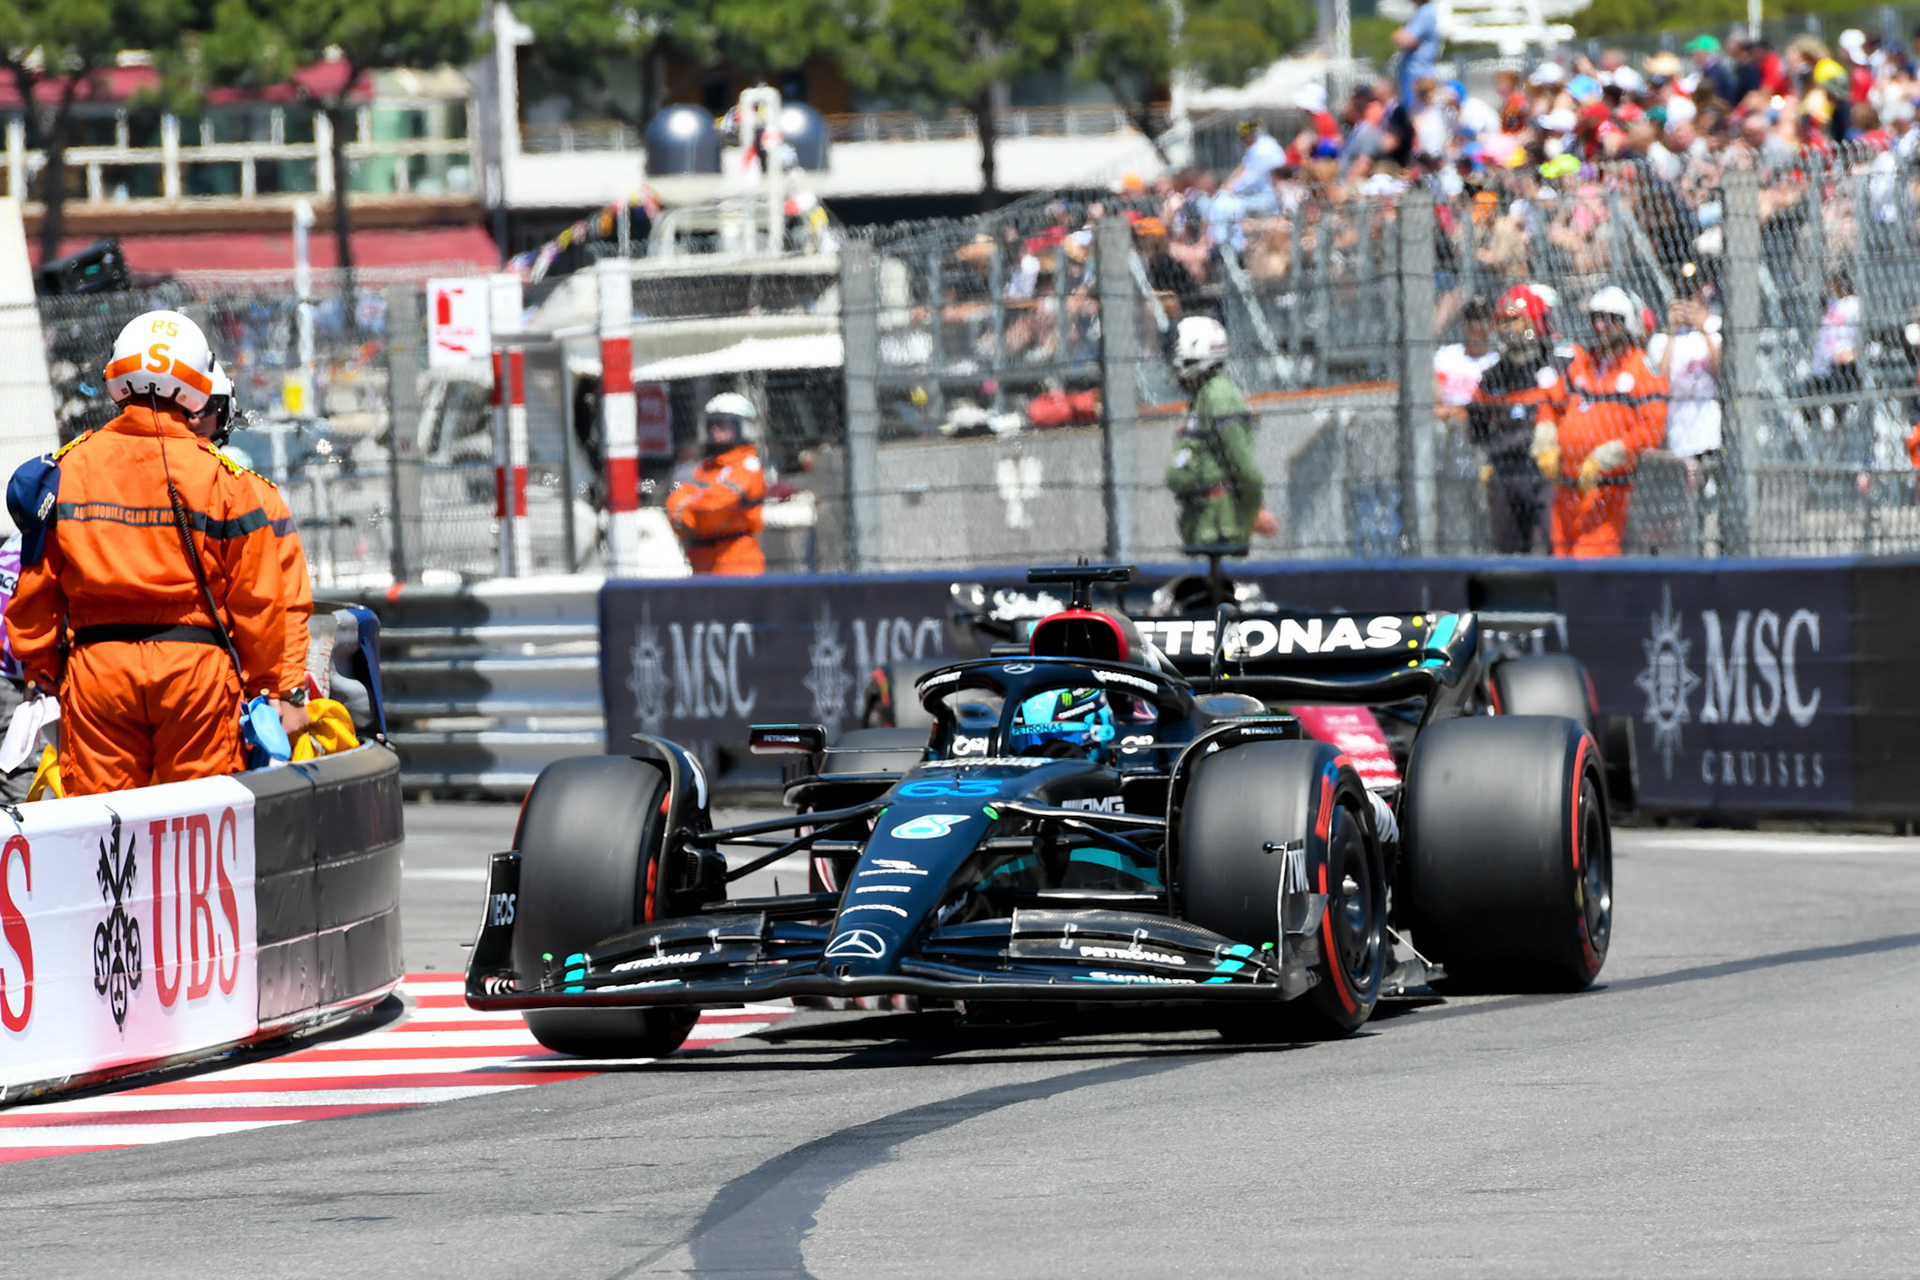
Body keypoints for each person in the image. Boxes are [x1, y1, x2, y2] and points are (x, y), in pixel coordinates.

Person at [6, 310, 287, 795]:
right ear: (198, 384)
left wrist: (42, 672)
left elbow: (37, 587)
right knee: (197, 828)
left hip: (98, 672)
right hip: (194, 674)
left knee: (101, 836)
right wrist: (271, 686)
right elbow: (260, 601)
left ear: (118, 375)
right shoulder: (230, 482)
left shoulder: (68, 470)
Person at [190, 363, 312, 740]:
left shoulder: (259, 495)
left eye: (204, 406)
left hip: (237, 690)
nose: (194, 418)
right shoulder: (113, 481)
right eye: (183, 406)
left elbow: (287, 602)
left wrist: (289, 690)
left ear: (223, 412)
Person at [1532, 286, 1669, 558]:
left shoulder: (1641, 368)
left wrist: (1611, 453)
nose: (1600, 326)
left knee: (1589, 566)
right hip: (1566, 491)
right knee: (1562, 564)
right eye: (1596, 318)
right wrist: (1545, 438)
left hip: (1607, 493)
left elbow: (1653, 427)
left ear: (1625, 322)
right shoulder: (1582, 362)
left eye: (1609, 319)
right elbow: (1550, 401)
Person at [1165, 316, 1279, 548]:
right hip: (1204, 524)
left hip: (1220, 528)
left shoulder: (1219, 396)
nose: (1173, 364)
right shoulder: (1203, 397)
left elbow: (1245, 467)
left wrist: (1251, 512)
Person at [1468, 285, 1561, 553]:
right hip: (1505, 471)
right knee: (1509, 552)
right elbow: (1476, 426)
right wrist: (1484, 459)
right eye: (1504, 322)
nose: (1511, 329)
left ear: (1535, 323)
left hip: (1547, 471)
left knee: (1557, 544)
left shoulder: (1556, 367)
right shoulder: (1492, 378)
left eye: (1518, 321)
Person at [1646, 266, 1724, 548]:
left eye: (1693, 294)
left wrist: (1703, 327)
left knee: (1711, 507)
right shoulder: (1663, 339)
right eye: (1684, 296)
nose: (1689, 302)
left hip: (1710, 432)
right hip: (1678, 434)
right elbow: (1660, 382)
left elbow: (1723, 372)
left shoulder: (1716, 329)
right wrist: (1669, 331)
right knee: (1682, 511)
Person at [665, 392, 768, 575]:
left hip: (738, 569)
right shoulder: (705, 468)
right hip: (702, 568)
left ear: (742, 427)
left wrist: (692, 511)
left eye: (723, 425)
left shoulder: (748, 466)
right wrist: (695, 511)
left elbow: (714, 509)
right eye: (712, 425)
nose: (715, 431)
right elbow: (675, 500)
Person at [1393, 0, 1442, 109]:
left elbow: (1406, 39)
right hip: (1412, 73)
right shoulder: (1420, 13)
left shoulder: (1426, 13)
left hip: (1419, 75)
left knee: (1418, 115)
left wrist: (1400, 35)